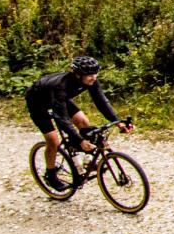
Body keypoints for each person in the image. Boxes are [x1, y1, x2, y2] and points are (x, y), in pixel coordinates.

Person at [26, 55, 133, 192]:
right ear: (78, 75)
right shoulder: (60, 86)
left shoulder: (91, 81)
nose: (94, 77)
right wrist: (80, 140)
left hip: (59, 99)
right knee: (53, 140)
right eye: (90, 75)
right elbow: (62, 119)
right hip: (37, 102)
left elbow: (101, 101)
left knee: (83, 121)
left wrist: (117, 122)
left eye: (95, 73)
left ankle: (87, 158)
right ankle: (51, 174)